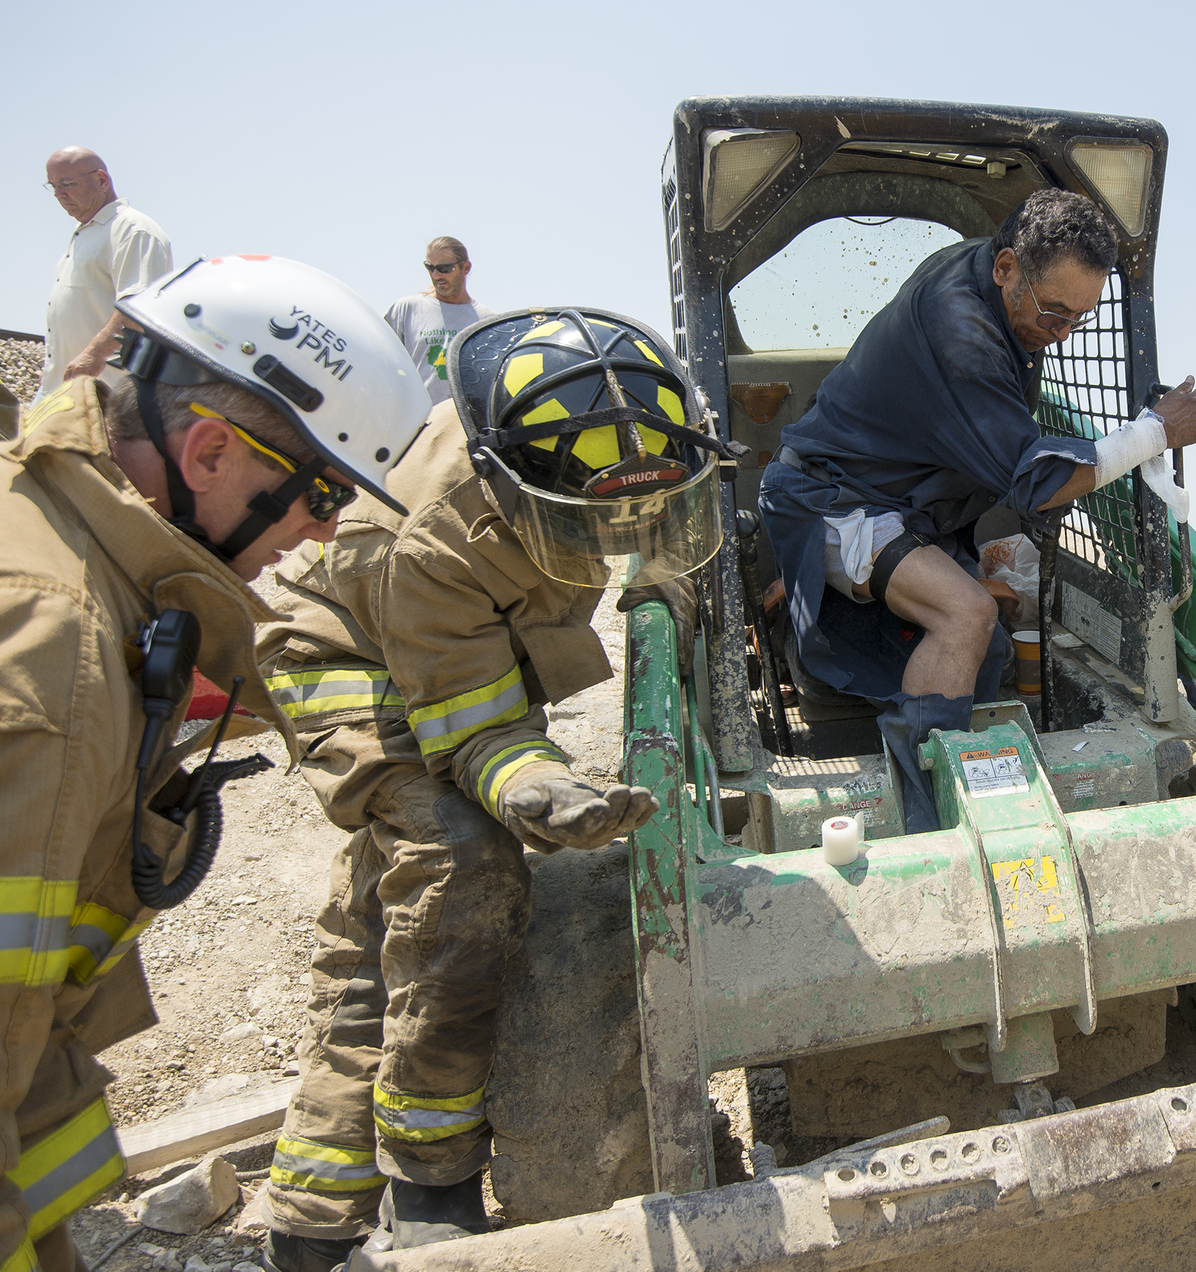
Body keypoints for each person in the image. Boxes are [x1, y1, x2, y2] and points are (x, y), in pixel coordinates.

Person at [255, 306, 716, 1270]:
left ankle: (312, 1216)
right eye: (595, 526)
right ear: (518, 487)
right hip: (351, 651)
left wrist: (660, 587)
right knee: (460, 869)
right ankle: (431, 1179)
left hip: (461, 647)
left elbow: (658, 532)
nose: (615, 536)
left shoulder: (621, 429)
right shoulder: (431, 538)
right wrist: (542, 792)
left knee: (388, 925)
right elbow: (478, 731)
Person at [0, 254, 430, 1272]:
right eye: (321, 493)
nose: (325, 531)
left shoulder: (76, 553)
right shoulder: (52, 651)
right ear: (206, 455)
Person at [758, 189, 1196, 834]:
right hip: (831, 500)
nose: (1060, 333)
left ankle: (923, 716)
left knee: (990, 644)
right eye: (1054, 312)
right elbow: (1034, 484)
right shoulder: (960, 332)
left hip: (895, 504)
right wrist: (1153, 434)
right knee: (964, 613)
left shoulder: (988, 279)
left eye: (1079, 319)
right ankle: (929, 812)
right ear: (1006, 268)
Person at [37, 146, 172, 402]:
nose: (59, 194)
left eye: (67, 183)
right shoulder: (87, 234)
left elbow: (138, 306)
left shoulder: (133, 229)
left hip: (106, 395)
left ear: (101, 180)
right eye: (53, 186)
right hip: (62, 392)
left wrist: (94, 355)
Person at [383, 237, 496, 406]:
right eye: (430, 267)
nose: (436, 275)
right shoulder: (406, 309)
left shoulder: (488, 320)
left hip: (463, 425)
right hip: (418, 421)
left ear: (466, 268)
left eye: (444, 268)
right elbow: (381, 362)